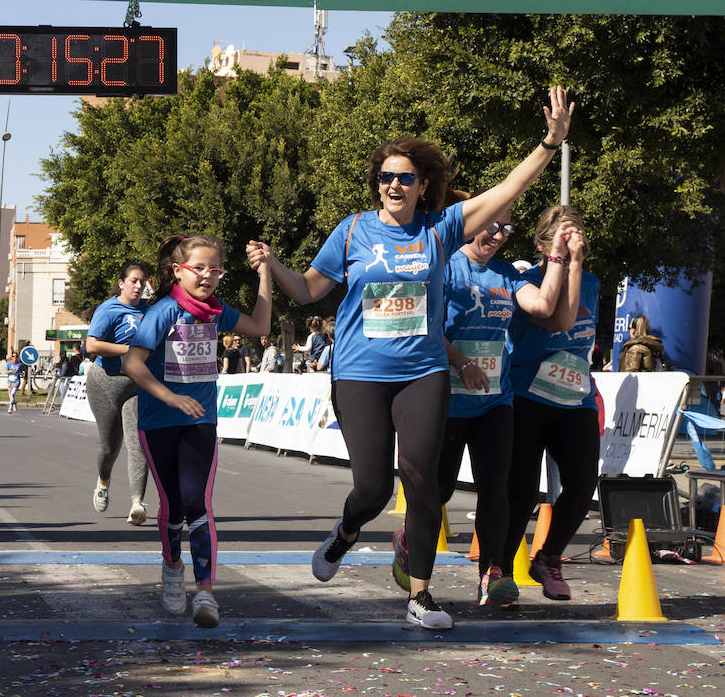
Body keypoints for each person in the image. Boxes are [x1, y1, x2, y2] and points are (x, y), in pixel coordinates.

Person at [247, 84, 573, 631]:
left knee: (422, 482)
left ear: (423, 187)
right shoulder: (351, 230)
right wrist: (274, 265)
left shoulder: (440, 230)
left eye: (405, 177)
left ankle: (420, 596)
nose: (394, 185)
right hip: (360, 374)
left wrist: (549, 143)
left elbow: (505, 191)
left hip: (424, 373)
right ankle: (346, 532)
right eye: (385, 177)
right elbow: (306, 291)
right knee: (372, 488)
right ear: (376, 185)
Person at [123, 235, 271, 629]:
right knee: (172, 505)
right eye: (198, 268)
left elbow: (261, 325)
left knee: (198, 502)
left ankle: (205, 590)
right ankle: (172, 569)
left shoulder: (217, 312)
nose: (208, 276)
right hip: (158, 421)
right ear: (178, 271)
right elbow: (133, 365)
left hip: (200, 421)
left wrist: (265, 275)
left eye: (215, 269)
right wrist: (170, 397)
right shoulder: (164, 313)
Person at [440, 209, 575, 610]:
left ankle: (492, 573)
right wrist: (461, 364)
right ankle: (415, 559)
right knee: (439, 490)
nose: (498, 236)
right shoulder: (446, 268)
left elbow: (545, 306)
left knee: (496, 490)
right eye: (491, 227)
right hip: (446, 401)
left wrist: (557, 256)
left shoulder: (507, 275)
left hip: (495, 402)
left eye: (506, 230)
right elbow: (427, 327)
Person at [501, 206, 595, 602]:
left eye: (579, 237)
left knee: (582, 484)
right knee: (521, 492)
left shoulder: (591, 280)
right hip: (528, 394)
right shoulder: (526, 283)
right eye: (564, 238)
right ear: (542, 245)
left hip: (576, 397)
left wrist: (577, 265)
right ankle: (500, 570)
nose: (575, 245)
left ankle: (549, 557)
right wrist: (565, 263)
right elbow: (559, 319)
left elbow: (582, 333)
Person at [85, 262, 152, 526]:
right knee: (110, 446)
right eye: (134, 281)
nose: (138, 286)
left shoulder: (150, 310)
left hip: (136, 385)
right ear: (121, 283)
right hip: (105, 383)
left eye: (142, 281)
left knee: (139, 444)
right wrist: (128, 350)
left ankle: (137, 503)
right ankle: (103, 482)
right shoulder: (108, 309)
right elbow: (92, 345)